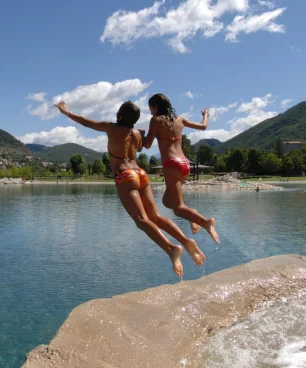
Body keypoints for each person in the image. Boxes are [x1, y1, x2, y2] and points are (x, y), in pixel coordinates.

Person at [53, 100, 205, 277]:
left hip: (125, 175)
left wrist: (67, 112)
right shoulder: (137, 134)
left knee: (141, 220)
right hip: (141, 173)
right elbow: (141, 146)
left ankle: (172, 249)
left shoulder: (111, 128)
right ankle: (186, 241)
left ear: (120, 115)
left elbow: (86, 122)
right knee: (155, 216)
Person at [142, 93, 219, 243]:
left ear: (156, 107)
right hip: (185, 164)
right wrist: (206, 115)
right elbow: (203, 126)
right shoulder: (180, 119)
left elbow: (147, 144)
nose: (150, 112)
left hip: (172, 165)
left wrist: (139, 135)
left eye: (151, 109)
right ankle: (192, 215)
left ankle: (205, 222)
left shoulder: (156, 120)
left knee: (178, 208)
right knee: (166, 201)